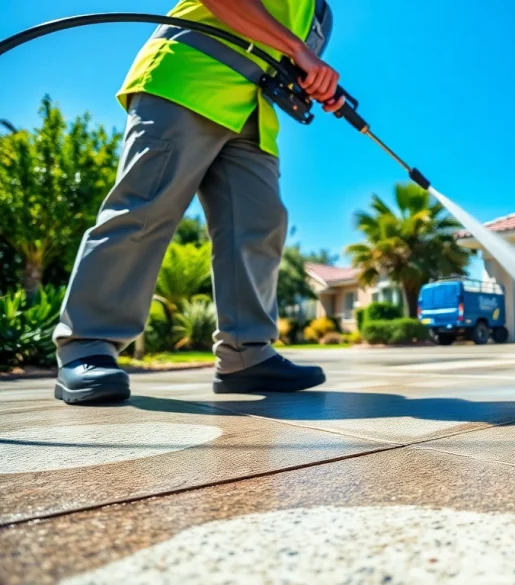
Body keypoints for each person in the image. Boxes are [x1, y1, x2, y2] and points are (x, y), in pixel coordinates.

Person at [52, 0, 341, 405]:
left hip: (253, 112)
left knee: (261, 224)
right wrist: (298, 49)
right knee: (145, 209)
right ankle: (86, 345)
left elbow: (286, 57)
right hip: (187, 79)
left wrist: (315, 81)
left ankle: (247, 354)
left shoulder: (319, 13)